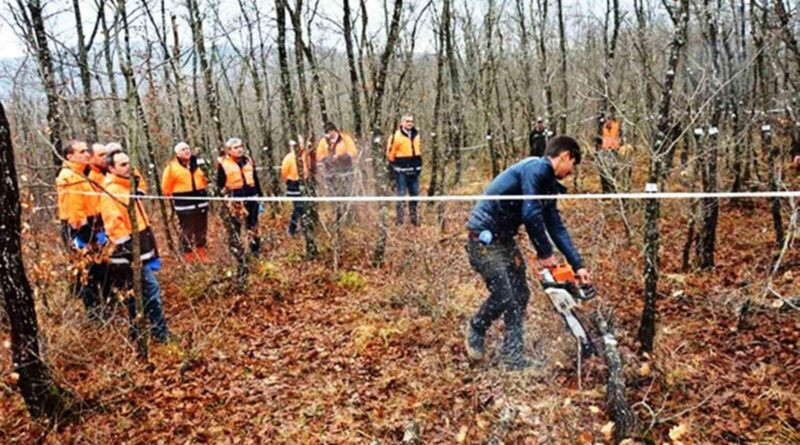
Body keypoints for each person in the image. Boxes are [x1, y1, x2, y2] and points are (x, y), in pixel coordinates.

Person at [464, 135, 591, 370]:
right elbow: (531, 213)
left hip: (505, 240)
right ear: (565, 156)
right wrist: (544, 252)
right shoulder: (536, 169)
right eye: (572, 165)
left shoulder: (547, 184)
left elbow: (555, 226)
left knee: (520, 294)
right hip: (483, 239)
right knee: (504, 293)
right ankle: (476, 327)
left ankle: (513, 357)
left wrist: (578, 264)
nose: (571, 172)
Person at [100, 149, 171, 342]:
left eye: (128, 163)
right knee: (150, 290)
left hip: (138, 250)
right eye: (122, 165)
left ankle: (136, 332)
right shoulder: (111, 192)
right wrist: (131, 252)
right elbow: (115, 227)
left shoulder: (127, 186)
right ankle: (160, 334)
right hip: (128, 255)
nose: (128, 167)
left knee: (134, 295)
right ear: (111, 168)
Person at [56, 140, 108, 319]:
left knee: (100, 270)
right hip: (80, 229)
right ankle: (95, 315)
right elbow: (74, 212)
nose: (87, 154)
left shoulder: (82, 174)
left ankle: (104, 309)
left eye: (87, 151)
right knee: (89, 273)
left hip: (93, 225)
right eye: (82, 151)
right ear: (70, 156)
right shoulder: (68, 177)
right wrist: (85, 237)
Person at [161, 142, 209, 263]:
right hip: (184, 205)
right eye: (183, 149)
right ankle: (188, 257)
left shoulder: (198, 165)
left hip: (201, 202)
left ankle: (202, 254)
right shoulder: (171, 168)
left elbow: (206, 180)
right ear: (177, 153)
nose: (186, 151)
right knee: (187, 231)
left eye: (187, 148)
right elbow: (165, 188)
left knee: (202, 229)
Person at [216, 138, 263, 257]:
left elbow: (255, 179)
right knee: (235, 228)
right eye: (236, 147)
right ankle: (238, 254)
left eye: (240, 146)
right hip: (235, 201)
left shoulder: (248, 160)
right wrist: (226, 199)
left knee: (253, 226)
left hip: (252, 197)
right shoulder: (223, 163)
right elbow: (220, 184)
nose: (239, 149)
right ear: (229, 150)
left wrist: (260, 195)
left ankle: (255, 251)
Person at [317, 122, 358, 222]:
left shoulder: (345, 139)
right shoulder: (323, 142)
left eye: (328, 132)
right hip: (330, 172)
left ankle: (349, 216)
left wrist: (341, 156)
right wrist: (327, 159)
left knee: (346, 194)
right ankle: (336, 216)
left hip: (345, 170)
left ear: (333, 131)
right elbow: (319, 155)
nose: (327, 135)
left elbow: (353, 152)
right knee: (333, 195)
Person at [387, 114, 423, 226]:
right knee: (401, 195)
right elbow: (390, 154)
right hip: (401, 171)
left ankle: (414, 219)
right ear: (402, 123)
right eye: (407, 121)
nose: (410, 123)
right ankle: (400, 220)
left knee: (415, 195)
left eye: (411, 121)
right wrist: (396, 165)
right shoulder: (395, 136)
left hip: (415, 170)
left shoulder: (416, 135)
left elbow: (418, 150)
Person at [281, 141, 311, 236]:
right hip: (293, 184)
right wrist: (291, 180)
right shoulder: (289, 157)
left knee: (302, 207)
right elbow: (284, 172)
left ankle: (302, 227)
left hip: (304, 183)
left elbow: (309, 167)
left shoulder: (306, 156)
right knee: (298, 207)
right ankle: (292, 228)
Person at [598, 112, 623, 193]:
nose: (608, 121)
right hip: (605, 150)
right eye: (607, 120)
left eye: (609, 119)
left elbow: (622, 136)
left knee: (614, 169)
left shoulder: (617, 126)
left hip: (615, 150)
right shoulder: (603, 127)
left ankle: (614, 188)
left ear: (612, 120)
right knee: (605, 169)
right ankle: (607, 189)